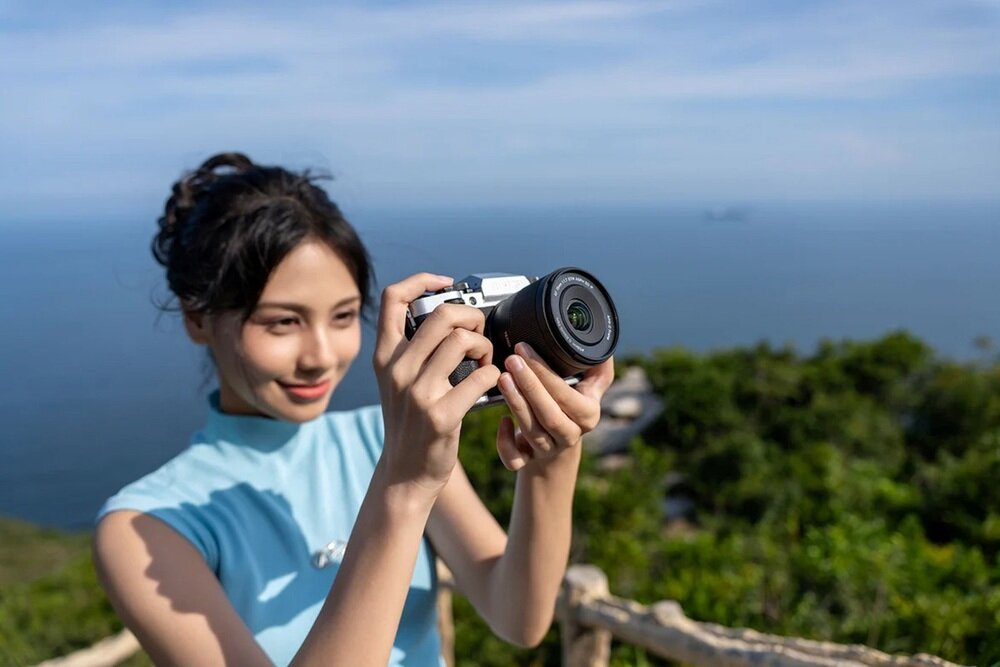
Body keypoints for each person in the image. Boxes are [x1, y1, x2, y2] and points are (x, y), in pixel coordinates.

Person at [92, 152, 615, 666]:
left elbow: (517, 617)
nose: (321, 356)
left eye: (343, 317)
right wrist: (404, 487)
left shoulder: (381, 440)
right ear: (196, 318)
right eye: (282, 322)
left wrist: (551, 457)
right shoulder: (144, 528)